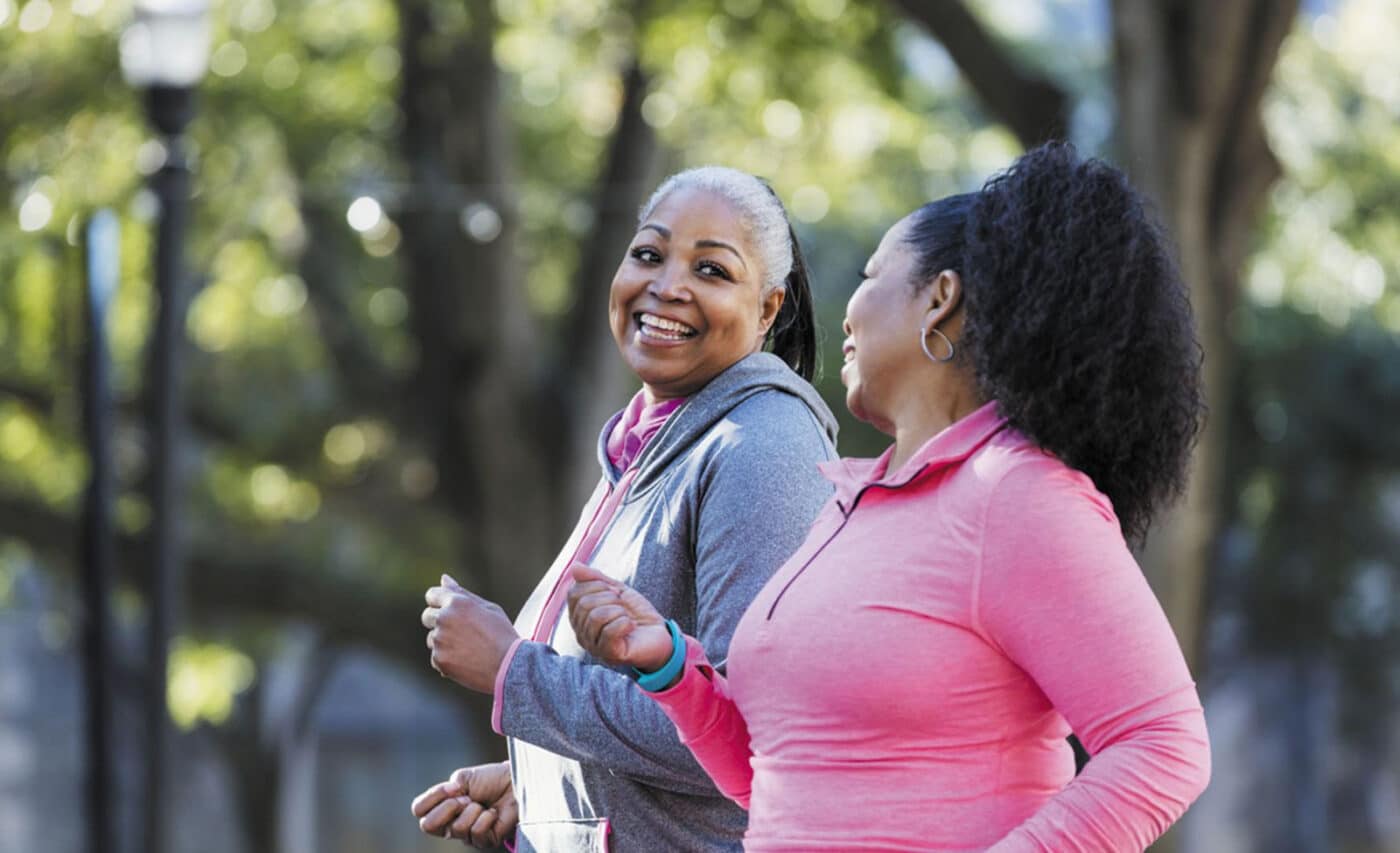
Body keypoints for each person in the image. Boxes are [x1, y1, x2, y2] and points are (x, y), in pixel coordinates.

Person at [568, 142, 1213, 851]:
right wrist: (668, 663)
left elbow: (1163, 743)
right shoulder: (852, 504)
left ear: (939, 299)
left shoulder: (1018, 494)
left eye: (873, 275)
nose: (845, 314)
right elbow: (781, 775)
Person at [411, 167, 840, 851]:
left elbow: (744, 730)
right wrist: (544, 782)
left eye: (711, 269)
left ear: (767, 309)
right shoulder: (648, 442)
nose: (667, 285)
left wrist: (513, 670)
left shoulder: (761, 445)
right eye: (649, 253)